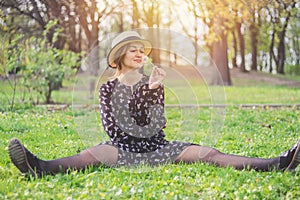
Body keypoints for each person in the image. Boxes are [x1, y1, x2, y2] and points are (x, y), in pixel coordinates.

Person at [8, 31, 300, 178]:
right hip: (121, 149)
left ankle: (280, 163)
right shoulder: (107, 88)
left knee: (209, 152)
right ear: (120, 55)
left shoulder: (152, 82)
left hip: (158, 148)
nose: (139, 53)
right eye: (133, 49)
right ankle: (38, 167)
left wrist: (153, 90)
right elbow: (117, 130)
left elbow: (155, 127)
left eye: (142, 50)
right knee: (91, 154)